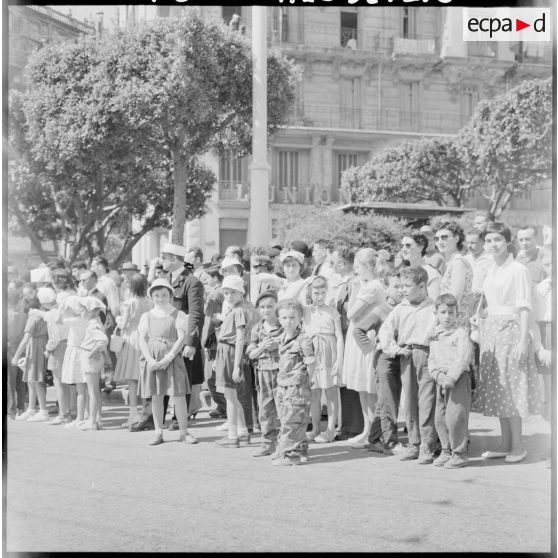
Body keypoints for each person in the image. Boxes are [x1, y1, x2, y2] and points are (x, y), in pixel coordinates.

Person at [475, 222, 543, 463]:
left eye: (497, 240)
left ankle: (518, 446)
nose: (493, 245)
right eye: (489, 240)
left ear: (507, 242)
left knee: (512, 390)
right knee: (499, 388)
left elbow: (525, 307)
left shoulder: (518, 269)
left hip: (511, 332)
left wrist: (524, 341)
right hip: (491, 333)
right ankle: (504, 444)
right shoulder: (490, 269)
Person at [378, 267, 438, 464]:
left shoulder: (433, 307)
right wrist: (395, 349)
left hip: (428, 355)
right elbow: (385, 332)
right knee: (410, 402)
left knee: (427, 401)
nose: (403, 290)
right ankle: (414, 442)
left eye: (407, 286)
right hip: (408, 355)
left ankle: (428, 445)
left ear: (422, 286)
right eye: (401, 286)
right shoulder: (400, 309)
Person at [138, 279, 198, 446]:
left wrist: (169, 356)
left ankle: (183, 432)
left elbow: (181, 338)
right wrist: (150, 360)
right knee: (156, 396)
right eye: (156, 295)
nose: (160, 298)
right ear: (151, 297)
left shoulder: (178, 314)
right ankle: (158, 432)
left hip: (172, 359)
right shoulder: (147, 316)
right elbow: (142, 339)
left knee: (178, 395)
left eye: (164, 295)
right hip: (154, 359)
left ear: (171, 296)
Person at [340, 248, 386, 448]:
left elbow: (350, 313)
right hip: (360, 333)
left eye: (358, 267)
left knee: (369, 386)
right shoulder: (371, 284)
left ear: (367, 266)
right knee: (363, 388)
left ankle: (375, 432)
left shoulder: (371, 287)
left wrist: (356, 289)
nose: (356, 271)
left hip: (365, 334)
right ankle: (367, 430)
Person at [429, 294, 473, 469]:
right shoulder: (435, 335)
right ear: (436, 313)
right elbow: (431, 358)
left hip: (457, 379)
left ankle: (459, 453)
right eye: (443, 312)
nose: (447, 316)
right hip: (440, 379)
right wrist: (436, 375)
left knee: (456, 417)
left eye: (451, 313)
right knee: (440, 418)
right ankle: (446, 450)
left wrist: (452, 377)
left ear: (457, 314)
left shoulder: (460, 334)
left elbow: (463, 358)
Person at [273, 299, 315, 466]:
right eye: (284, 318)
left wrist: (306, 383)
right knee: (286, 419)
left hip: (297, 386)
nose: (288, 321)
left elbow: (311, 363)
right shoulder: (282, 337)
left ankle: (291, 455)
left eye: (292, 317)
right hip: (283, 385)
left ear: (299, 319)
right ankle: (300, 449)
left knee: (293, 420)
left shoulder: (303, 339)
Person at [167, 245, 205, 427]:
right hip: (165, 337)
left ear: (174, 259)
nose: (161, 261)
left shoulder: (192, 281)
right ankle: (154, 416)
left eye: (164, 257)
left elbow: (196, 314)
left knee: (183, 378)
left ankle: (179, 417)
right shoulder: (165, 279)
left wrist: (191, 342)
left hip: (182, 338)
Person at [303, 276, 344, 444]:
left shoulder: (332, 311)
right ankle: (315, 427)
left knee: (331, 391)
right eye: (316, 292)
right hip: (313, 352)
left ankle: (331, 429)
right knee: (314, 392)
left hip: (329, 351)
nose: (319, 296)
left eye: (322, 292)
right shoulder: (306, 311)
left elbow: (339, 337)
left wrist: (339, 360)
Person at [213, 275, 251, 448]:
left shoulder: (239, 311)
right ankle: (242, 432)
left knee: (230, 396)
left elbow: (240, 337)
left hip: (231, 352)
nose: (229, 296)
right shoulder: (233, 309)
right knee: (233, 396)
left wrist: (236, 366)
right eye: (226, 293)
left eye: (233, 293)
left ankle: (232, 435)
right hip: (224, 351)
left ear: (241, 293)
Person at [330, 243, 362, 439]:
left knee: (350, 381)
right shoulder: (344, 282)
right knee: (343, 381)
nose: (332, 266)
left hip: (348, 332)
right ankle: (348, 424)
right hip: (341, 332)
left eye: (334, 262)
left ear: (342, 263)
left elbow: (350, 310)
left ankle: (353, 426)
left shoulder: (353, 283)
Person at [114, 273, 153, 429]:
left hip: (132, 338)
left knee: (132, 379)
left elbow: (123, 325)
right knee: (144, 377)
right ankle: (147, 412)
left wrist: (118, 319)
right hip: (146, 338)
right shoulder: (150, 302)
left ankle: (133, 413)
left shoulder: (128, 303)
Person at [247, 290, 283, 457]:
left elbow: (296, 345)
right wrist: (262, 347)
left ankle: (286, 443)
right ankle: (267, 442)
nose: (266, 310)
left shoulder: (284, 325)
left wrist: (278, 345)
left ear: (276, 307)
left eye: (270, 306)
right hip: (263, 373)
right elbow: (251, 353)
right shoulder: (257, 328)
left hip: (282, 372)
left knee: (284, 409)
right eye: (262, 307)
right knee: (265, 409)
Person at [11, 291, 50, 422]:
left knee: (36, 379)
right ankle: (32, 409)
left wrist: (16, 356)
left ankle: (43, 410)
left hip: (35, 347)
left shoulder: (32, 318)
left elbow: (26, 338)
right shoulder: (41, 315)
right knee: (31, 379)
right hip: (41, 345)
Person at [77, 297, 109, 431]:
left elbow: (103, 340)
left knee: (92, 391)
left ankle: (92, 421)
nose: (81, 312)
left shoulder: (92, 324)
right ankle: (97, 419)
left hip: (90, 357)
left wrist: (92, 352)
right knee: (95, 390)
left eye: (83, 310)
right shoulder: (96, 321)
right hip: (92, 357)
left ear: (90, 311)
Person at [433, 220, 475, 322]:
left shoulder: (458, 262)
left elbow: (454, 297)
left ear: (456, 238)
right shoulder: (450, 262)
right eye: (437, 239)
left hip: (454, 319)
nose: (440, 242)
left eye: (444, 237)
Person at [42, 287, 71, 425]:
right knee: (69, 383)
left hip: (58, 348)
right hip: (69, 346)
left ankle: (63, 413)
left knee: (59, 383)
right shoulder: (68, 313)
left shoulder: (53, 315)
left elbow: (54, 338)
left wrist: (47, 350)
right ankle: (70, 412)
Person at [60, 295, 89, 429]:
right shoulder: (86, 319)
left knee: (80, 390)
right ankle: (88, 415)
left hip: (76, 354)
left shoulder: (72, 320)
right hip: (85, 353)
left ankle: (80, 418)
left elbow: (59, 318)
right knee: (87, 389)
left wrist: (63, 307)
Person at [533, 245, 552, 422]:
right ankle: (548, 404)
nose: (551, 268)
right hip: (546, 328)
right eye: (547, 264)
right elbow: (537, 314)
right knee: (547, 369)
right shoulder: (541, 287)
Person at [400, 233, 441, 300]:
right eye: (402, 246)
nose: (403, 249)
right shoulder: (405, 273)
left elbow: (434, 303)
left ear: (420, 247)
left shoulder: (431, 273)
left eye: (408, 245)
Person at [7, 289, 28, 419]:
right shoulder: (24, 315)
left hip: (9, 348)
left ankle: (11, 410)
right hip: (22, 348)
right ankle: (21, 408)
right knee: (21, 380)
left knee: (10, 382)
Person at [464, 230, 493, 296]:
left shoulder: (492, 260)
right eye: (467, 243)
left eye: (473, 243)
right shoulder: (464, 259)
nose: (469, 246)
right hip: (466, 300)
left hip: (485, 300)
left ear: (483, 242)